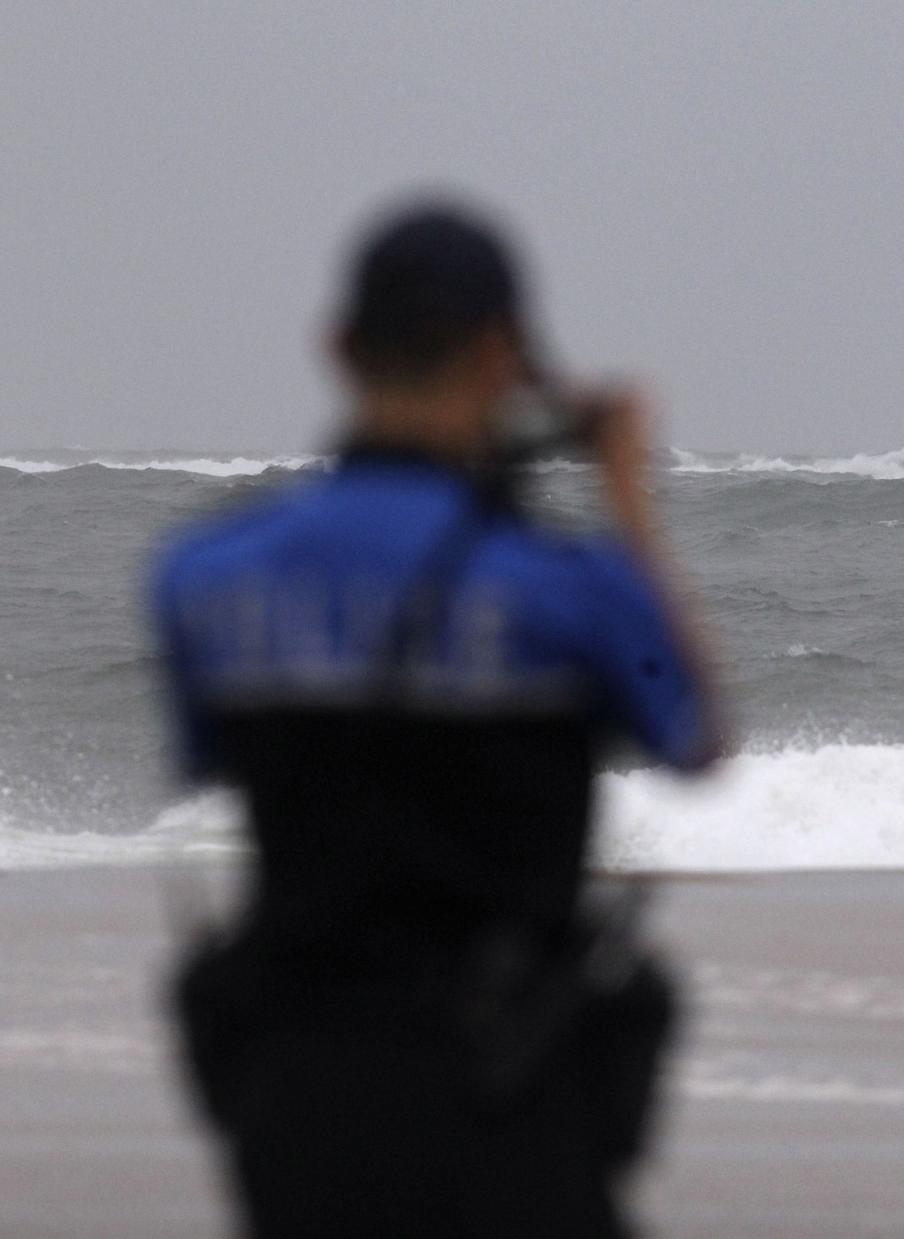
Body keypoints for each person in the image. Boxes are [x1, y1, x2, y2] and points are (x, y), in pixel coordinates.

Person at [150, 199, 724, 1238]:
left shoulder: (202, 576)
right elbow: (690, 731)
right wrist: (629, 502)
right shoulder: (566, 588)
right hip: (507, 1095)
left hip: (298, 1104)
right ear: (506, 356)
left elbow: (204, 754)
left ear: (336, 348)